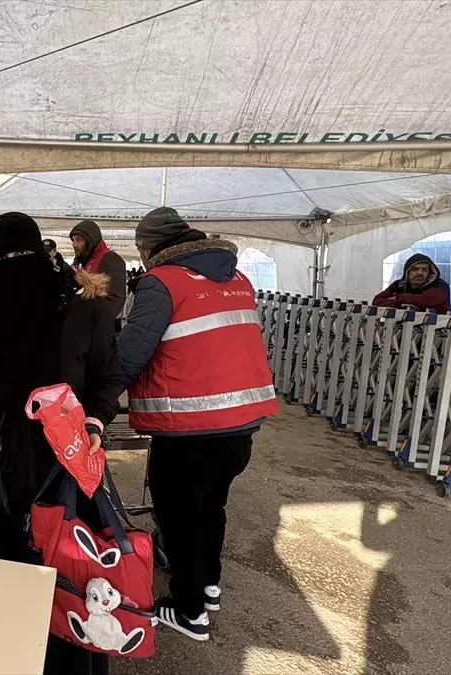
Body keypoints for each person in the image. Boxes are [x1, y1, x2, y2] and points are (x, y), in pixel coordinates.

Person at [0, 212, 122, 675]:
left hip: (65, 459)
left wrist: (94, 420)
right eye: (2, 258)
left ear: (40, 252)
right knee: (6, 568)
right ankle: (14, 655)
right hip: (2, 462)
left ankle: (66, 659)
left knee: (67, 570)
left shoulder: (83, 305)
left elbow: (108, 374)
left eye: (19, 255)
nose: (13, 265)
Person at [117, 206, 279, 643]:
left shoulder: (160, 282)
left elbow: (131, 353)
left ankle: (189, 611)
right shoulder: (238, 280)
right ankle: (209, 587)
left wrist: (96, 398)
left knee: (179, 515)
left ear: (150, 248)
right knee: (211, 509)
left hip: (188, 425)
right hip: (239, 425)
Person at [70, 220, 127, 327]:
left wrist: (99, 323)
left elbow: (116, 299)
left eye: (79, 240)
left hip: (103, 326)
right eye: (73, 240)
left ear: (90, 240)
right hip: (87, 321)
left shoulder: (110, 259)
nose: (74, 244)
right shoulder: (85, 260)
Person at [372, 253, 451, 313]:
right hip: (401, 330)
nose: (419, 273)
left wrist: (398, 297)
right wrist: (398, 304)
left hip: (436, 332)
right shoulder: (399, 285)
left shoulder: (440, 286)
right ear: (408, 271)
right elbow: (377, 301)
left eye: (424, 270)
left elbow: (424, 300)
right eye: (415, 269)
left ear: (429, 272)